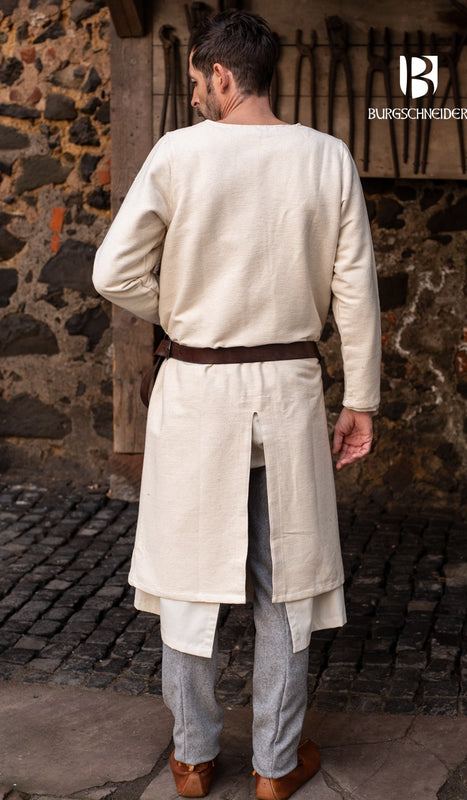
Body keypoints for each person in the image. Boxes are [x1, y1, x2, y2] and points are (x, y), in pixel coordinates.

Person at [93, 10, 380, 799]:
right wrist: (360, 399)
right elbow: (355, 292)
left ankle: (191, 759)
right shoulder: (327, 157)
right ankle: (273, 767)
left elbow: (112, 272)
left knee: (189, 579)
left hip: (198, 390)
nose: (194, 95)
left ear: (221, 75)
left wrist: (182, 312)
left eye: (196, 81)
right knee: (287, 579)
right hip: (287, 392)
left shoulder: (177, 154)